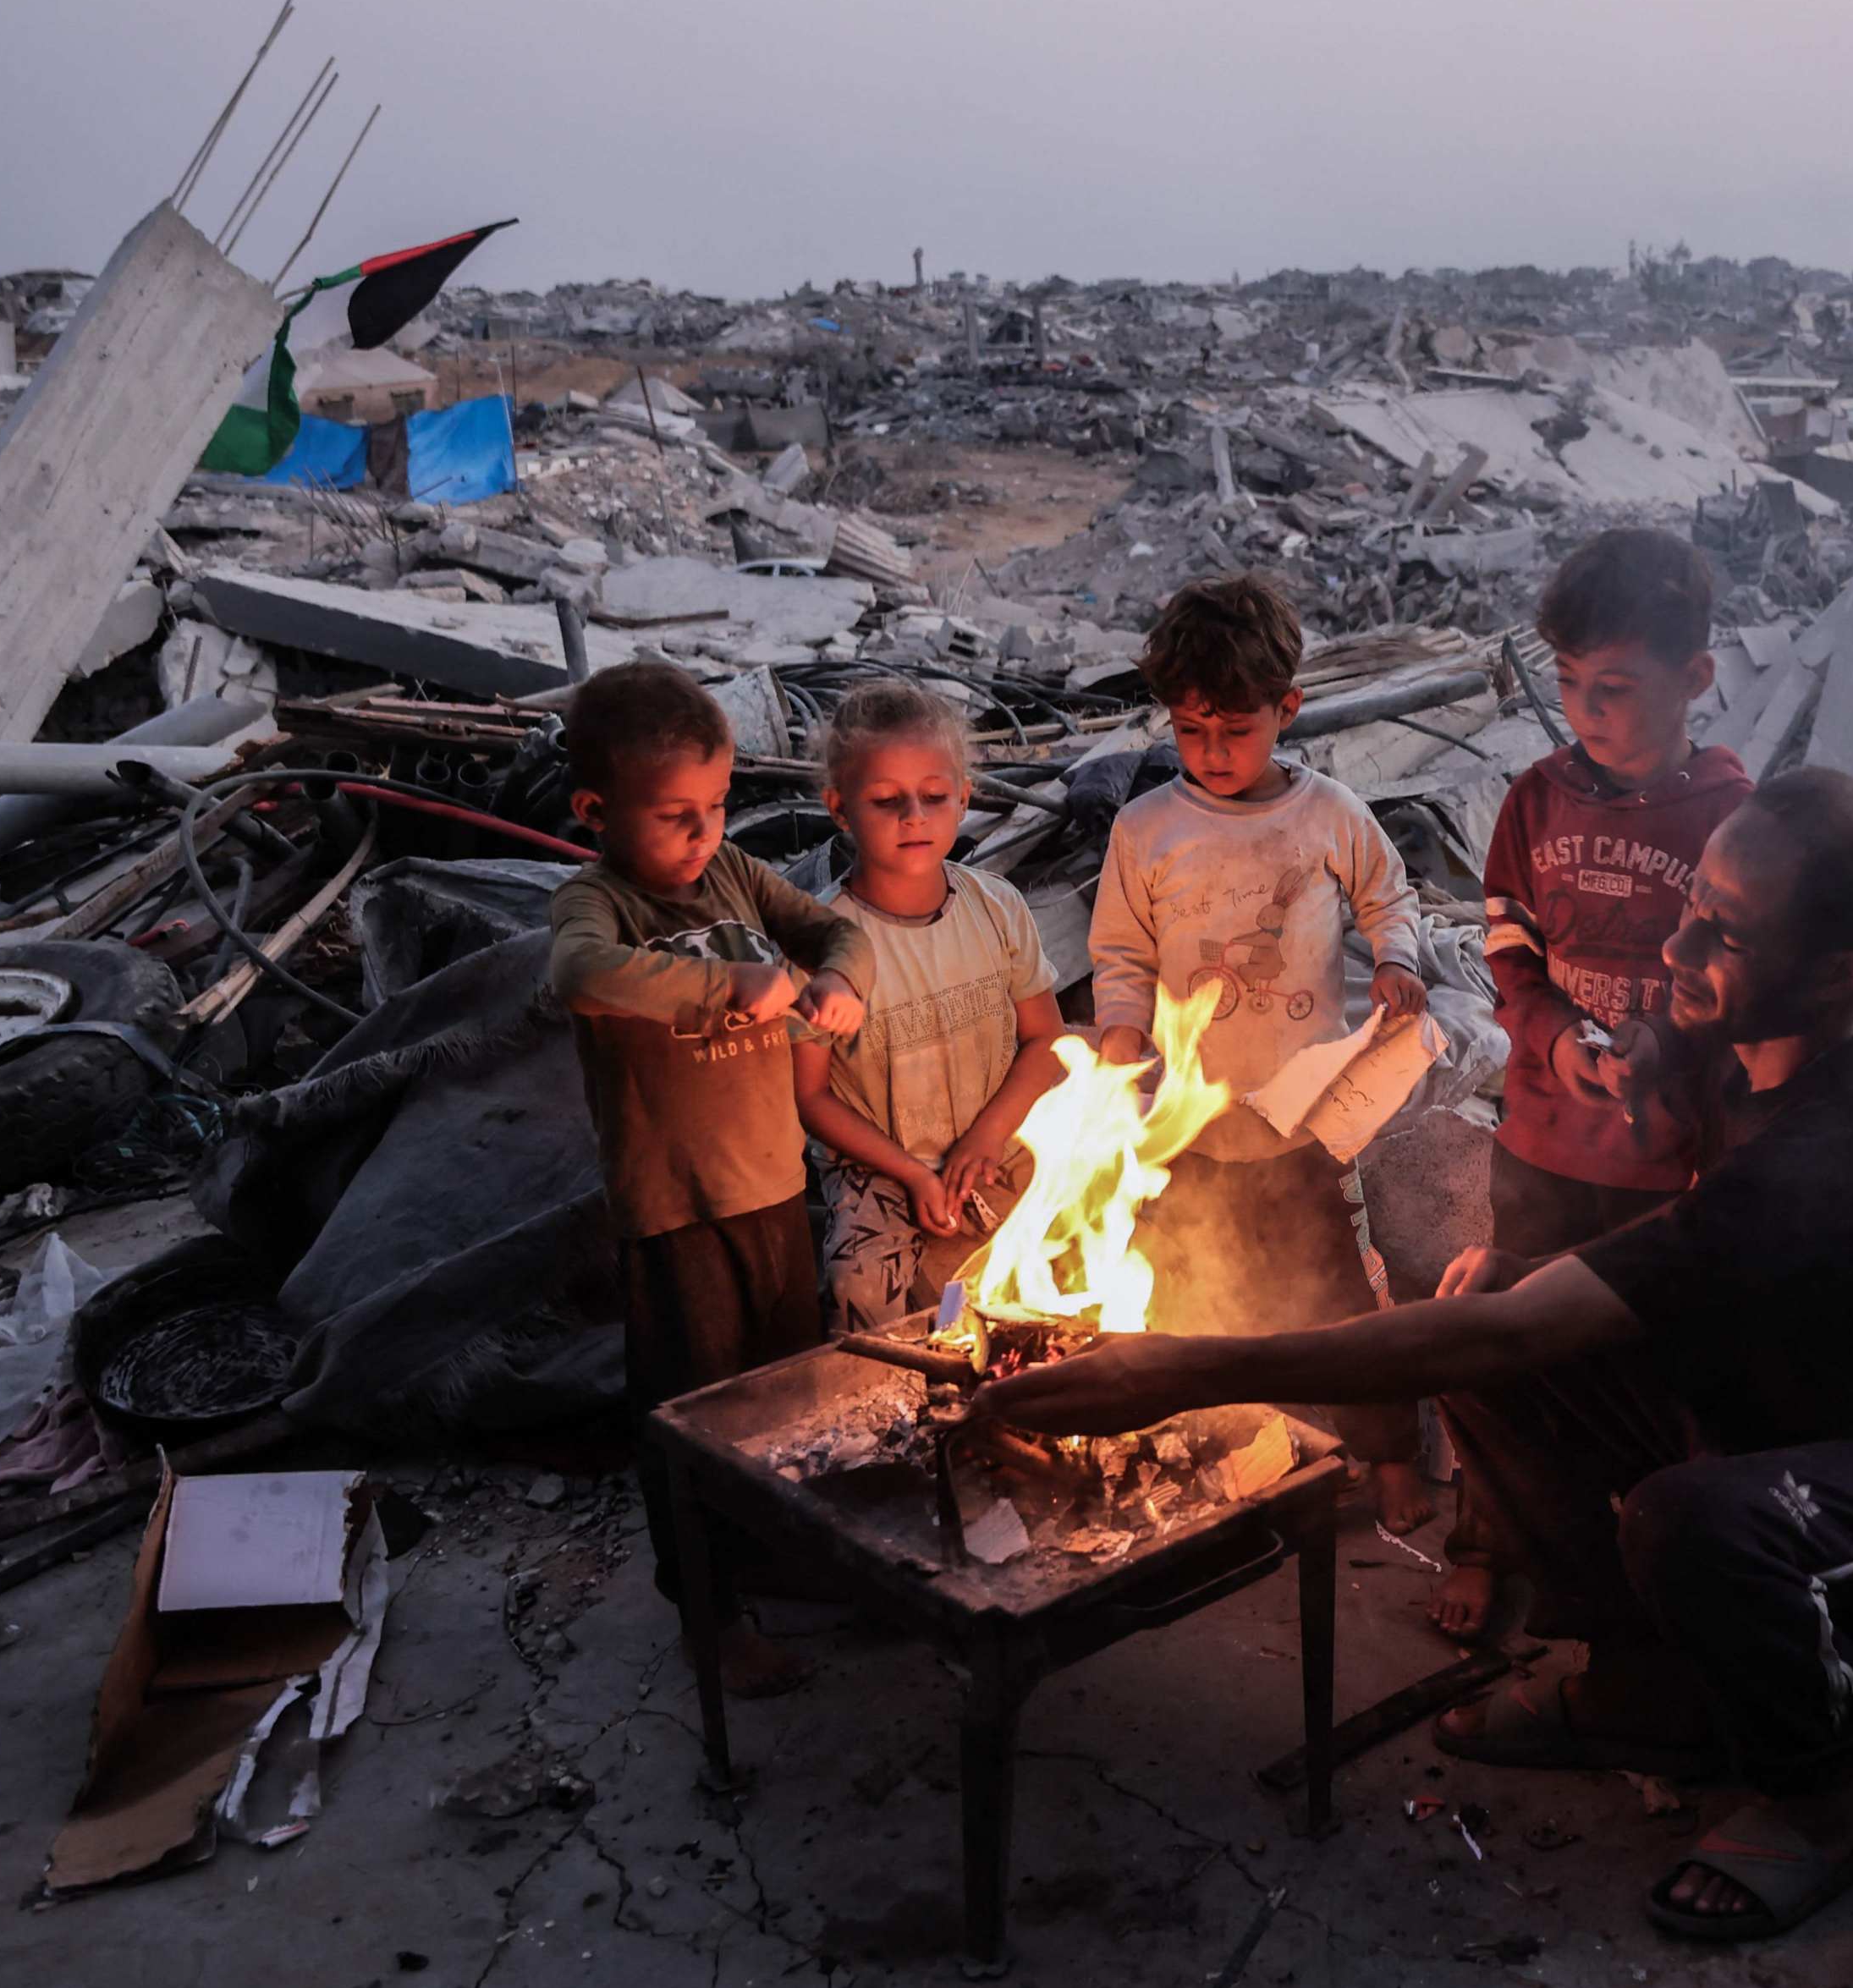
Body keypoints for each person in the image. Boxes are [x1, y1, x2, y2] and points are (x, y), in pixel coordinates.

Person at [971, 769, 1853, 1943]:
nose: (1678, 948)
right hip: (1770, 1383)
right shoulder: (1762, 1028)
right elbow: (1613, 1227)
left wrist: (1177, 1368)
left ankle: (1827, 1789)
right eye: (1692, 905)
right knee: (1484, 1301)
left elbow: (1653, 1268)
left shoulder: (1845, 1142)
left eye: (1724, 934)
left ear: (1838, 972)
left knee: (1672, 1502)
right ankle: (1640, 1688)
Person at [1438, 528, 1752, 1636]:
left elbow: (1732, 980)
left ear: (1695, 680)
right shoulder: (1534, 802)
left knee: (1645, 1372)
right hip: (1538, 1140)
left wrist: (1656, 1044)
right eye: (1569, 685)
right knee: (1500, 1345)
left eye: (1614, 689)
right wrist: (1557, 1035)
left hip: (1664, 1161)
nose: (1586, 712)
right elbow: (1508, 951)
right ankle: (1487, 1541)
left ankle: (1627, 1568)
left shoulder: (1726, 818)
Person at [546, 662, 867, 1697]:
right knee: (694, 1414)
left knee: (787, 1398)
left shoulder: (733, 874)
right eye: (675, 815)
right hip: (678, 1216)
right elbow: (583, 979)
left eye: (718, 806)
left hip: (775, 1191)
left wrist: (836, 981)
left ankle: (784, 1554)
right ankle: (709, 1612)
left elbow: (832, 928)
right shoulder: (595, 904)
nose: (703, 834)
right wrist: (728, 981)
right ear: (597, 810)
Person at [1088, 570, 1432, 1529]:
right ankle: (1195, 1468)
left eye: (1235, 729)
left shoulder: (1327, 816)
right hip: (1186, 1127)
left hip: (1300, 1125)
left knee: (1338, 1302)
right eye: (1190, 731)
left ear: (1288, 708)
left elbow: (1389, 897)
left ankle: (1390, 1460)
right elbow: (1118, 953)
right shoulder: (1146, 829)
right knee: (1184, 1298)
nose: (1212, 751)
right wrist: (1120, 1035)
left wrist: (1398, 961)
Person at [793, 679, 1067, 1334]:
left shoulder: (996, 908)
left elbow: (1045, 1042)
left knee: (1093, 1218)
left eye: (935, 797)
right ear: (839, 809)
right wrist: (912, 1172)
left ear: (964, 798)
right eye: (886, 800)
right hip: (879, 1166)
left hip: (996, 1139)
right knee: (856, 1284)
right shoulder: (821, 941)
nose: (913, 815)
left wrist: (988, 1135)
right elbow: (810, 1098)